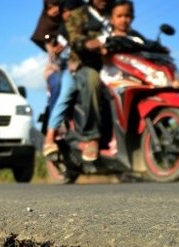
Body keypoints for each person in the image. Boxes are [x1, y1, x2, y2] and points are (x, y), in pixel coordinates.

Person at [64, 0, 113, 162]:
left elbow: (130, 35)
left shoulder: (115, 14)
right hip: (85, 66)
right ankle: (92, 137)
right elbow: (74, 39)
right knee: (92, 79)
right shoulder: (79, 14)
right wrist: (87, 43)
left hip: (113, 65)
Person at [42, 0, 86, 158]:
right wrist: (57, 53)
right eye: (65, 11)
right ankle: (50, 135)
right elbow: (57, 56)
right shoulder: (62, 31)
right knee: (67, 89)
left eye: (71, 11)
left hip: (92, 67)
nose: (68, 15)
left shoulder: (90, 25)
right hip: (68, 70)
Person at [100, 0, 146, 85]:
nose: (123, 20)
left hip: (134, 81)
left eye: (127, 16)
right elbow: (105, 58)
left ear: (132, 18)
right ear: (111, 19)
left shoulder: (137, 41)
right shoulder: (104, 39)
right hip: (111, 83)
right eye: (119, 16)